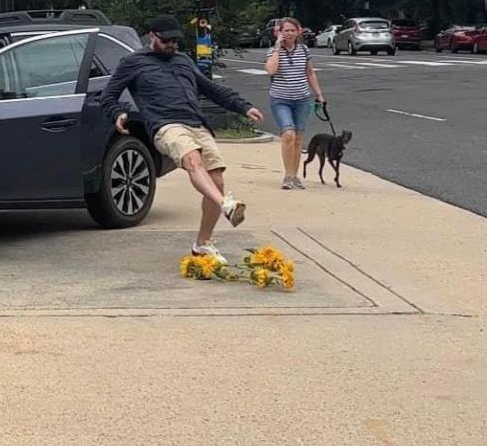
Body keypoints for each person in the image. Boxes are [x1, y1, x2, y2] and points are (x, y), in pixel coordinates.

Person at [102, 14, 264, 264]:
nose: (172, 46)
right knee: (192, 160)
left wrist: (242, 107)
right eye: (166, 41)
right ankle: (226, 205)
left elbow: (210, 89)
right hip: (165, 125)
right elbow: (108, 96)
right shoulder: (133, 63)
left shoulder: (183, 61)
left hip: (196, 123)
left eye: (175, 42)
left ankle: (203, 243)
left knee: (217, 179)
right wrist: (118, 113)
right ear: (152, 36)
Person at [263, 17, 325, 189]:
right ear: (280, 32)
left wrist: (319, 94)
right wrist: (277, 47)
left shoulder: (304, 50)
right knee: (288, 134)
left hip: (302, 99)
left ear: (299, 31)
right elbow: (270, 70)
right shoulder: (272, 51)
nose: (289, 34)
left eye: (292, 30)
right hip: (280, 99)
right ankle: (287, 176)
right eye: (286, 30)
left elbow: (310, 73)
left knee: (297, 138)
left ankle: (294, 175)